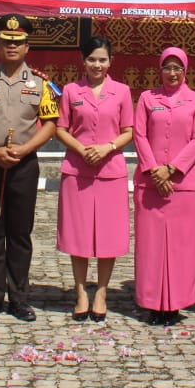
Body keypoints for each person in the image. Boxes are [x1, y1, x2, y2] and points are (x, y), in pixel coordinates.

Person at [0, 14, 59, 322]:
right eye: (6, 42)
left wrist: (25, 149)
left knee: (20, 233)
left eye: (18, 43)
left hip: (24, 164)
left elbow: (50, 124)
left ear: (27, 47)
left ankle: (19, 298)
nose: (12, 47)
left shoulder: (41, 83)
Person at [54, 36, 134, 323]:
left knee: (108, 235)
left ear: (111, 62)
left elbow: (128, 130)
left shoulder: (122, 91)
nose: (97, 65)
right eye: (91, 59)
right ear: (83, 61)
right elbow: (61, 129)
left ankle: (101, 292)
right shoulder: (71, 90)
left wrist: (107, 147)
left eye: (102, 60)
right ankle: (81, 293)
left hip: (110, 170)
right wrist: (81, 148)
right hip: (77, 170)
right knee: (78, 235)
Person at [133, 47, 195, 326]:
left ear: (185, 71)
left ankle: (175, 303)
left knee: (180, 246)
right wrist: (155, 170)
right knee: (150, 245)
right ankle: (152, 303)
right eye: (167, 67)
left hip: (182, 184)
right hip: (150, 182)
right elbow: (139, 135)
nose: (172, 73)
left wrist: (172, 169)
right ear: (160, 70)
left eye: (177, 68)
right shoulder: (147, 98)